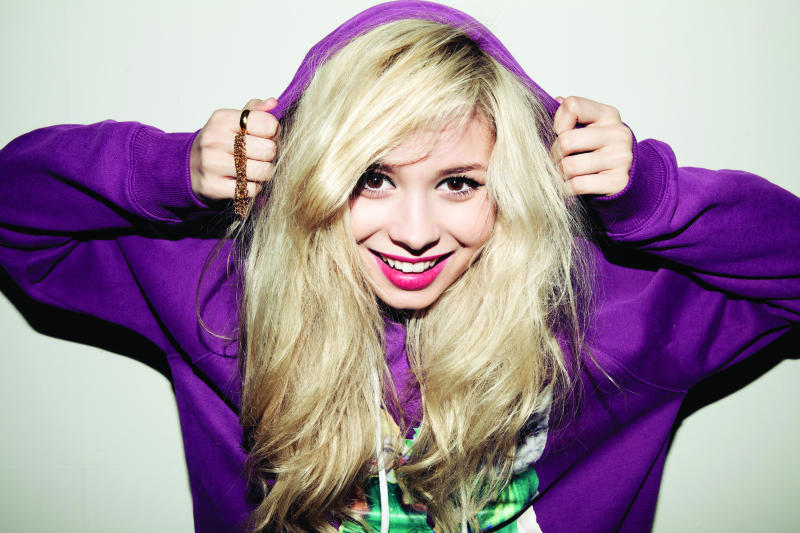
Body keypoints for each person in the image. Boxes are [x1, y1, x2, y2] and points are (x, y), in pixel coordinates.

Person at [0, 1, 798, 532]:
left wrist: (650, 198)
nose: (414, 233)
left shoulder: (603, 319)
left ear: (510, 185)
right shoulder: (220, 299)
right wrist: (168, 172)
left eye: (459, 183)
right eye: (373, 178)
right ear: (313, 175)